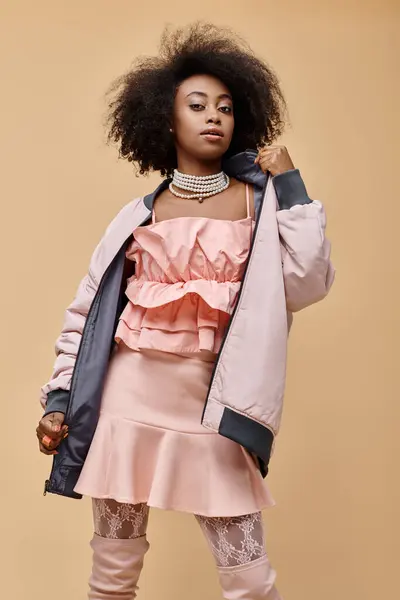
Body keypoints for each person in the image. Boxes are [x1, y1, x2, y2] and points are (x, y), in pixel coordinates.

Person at [36, 23, 334, 600]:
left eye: (224, 106)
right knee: (113, 572)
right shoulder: (136, 216)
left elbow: (309, 282)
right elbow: (86, 315)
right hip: (127, 399)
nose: (213, 116)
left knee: (249, 577)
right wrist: (57, 400)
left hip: (215, 407)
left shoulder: (260, 199)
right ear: (165, 120)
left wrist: (292, 185)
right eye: (196, 105)